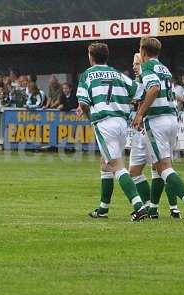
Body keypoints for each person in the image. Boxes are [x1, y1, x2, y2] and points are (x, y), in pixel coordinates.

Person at [132, 37, 184, 223]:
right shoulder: (164, 68)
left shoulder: (147, 68)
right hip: (172, 118)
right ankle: (154, 209)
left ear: (143, 51)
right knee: (159, 166)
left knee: (163, 167)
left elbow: (154, 89)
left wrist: (140, 113)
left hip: (157, 121)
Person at [76, 42, 147, 221]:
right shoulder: (118, 74)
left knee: (116, 165)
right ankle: (103, 208)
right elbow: (139, 91)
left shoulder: (87, 75)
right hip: (121, 123)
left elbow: (83, 103)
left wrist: (89, 116)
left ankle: (139, 206)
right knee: (105, 163)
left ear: (91, 57)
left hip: (104, 123)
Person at [129, 53, 181, 219]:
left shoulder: (147, 78)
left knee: (160, 167)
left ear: (143, 60)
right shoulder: (150, 76)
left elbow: (147, 95)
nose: (135, 66)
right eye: (133, 64)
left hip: (150, 126)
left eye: (137, 63)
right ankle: (152, 206)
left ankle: (170, 207)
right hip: (145, 129)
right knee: (144, 170)